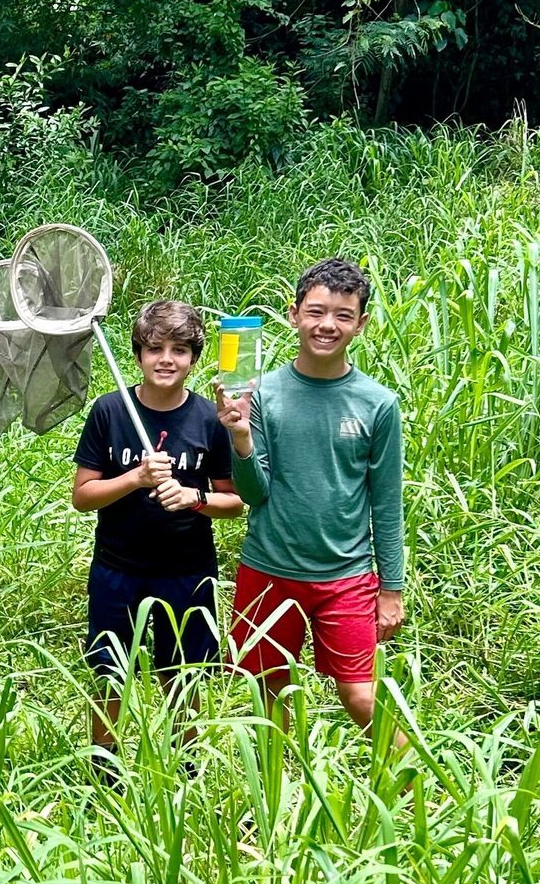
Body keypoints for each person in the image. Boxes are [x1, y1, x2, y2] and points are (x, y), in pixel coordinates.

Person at [215, 258, 407, 734]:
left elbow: (385, 502)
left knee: (362, 695)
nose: (327, 325)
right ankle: (273, 802)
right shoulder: (262, 395)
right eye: (316, 311)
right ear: (294, 313)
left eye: (343, 315)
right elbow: (254, 495)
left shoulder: (377, 403)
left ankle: (418, 793)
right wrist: (241, 439)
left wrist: (392, 589)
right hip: (267, 569)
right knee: (268, 695)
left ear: (360, 323)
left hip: (345, 575)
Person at [72, 300, 243, 754]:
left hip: (186, 570)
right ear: (138, 354)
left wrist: (195, 498)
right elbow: (82, 497)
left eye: (179, 350)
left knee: (182, 673)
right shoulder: (110, 411)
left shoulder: (210, 418)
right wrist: (135, 478)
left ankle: (184, 764)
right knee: (109, 670)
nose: (166, 359)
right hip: (116, 568)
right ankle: (103, 766)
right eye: (155, 348)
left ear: (194, 357)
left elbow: (234, 502)